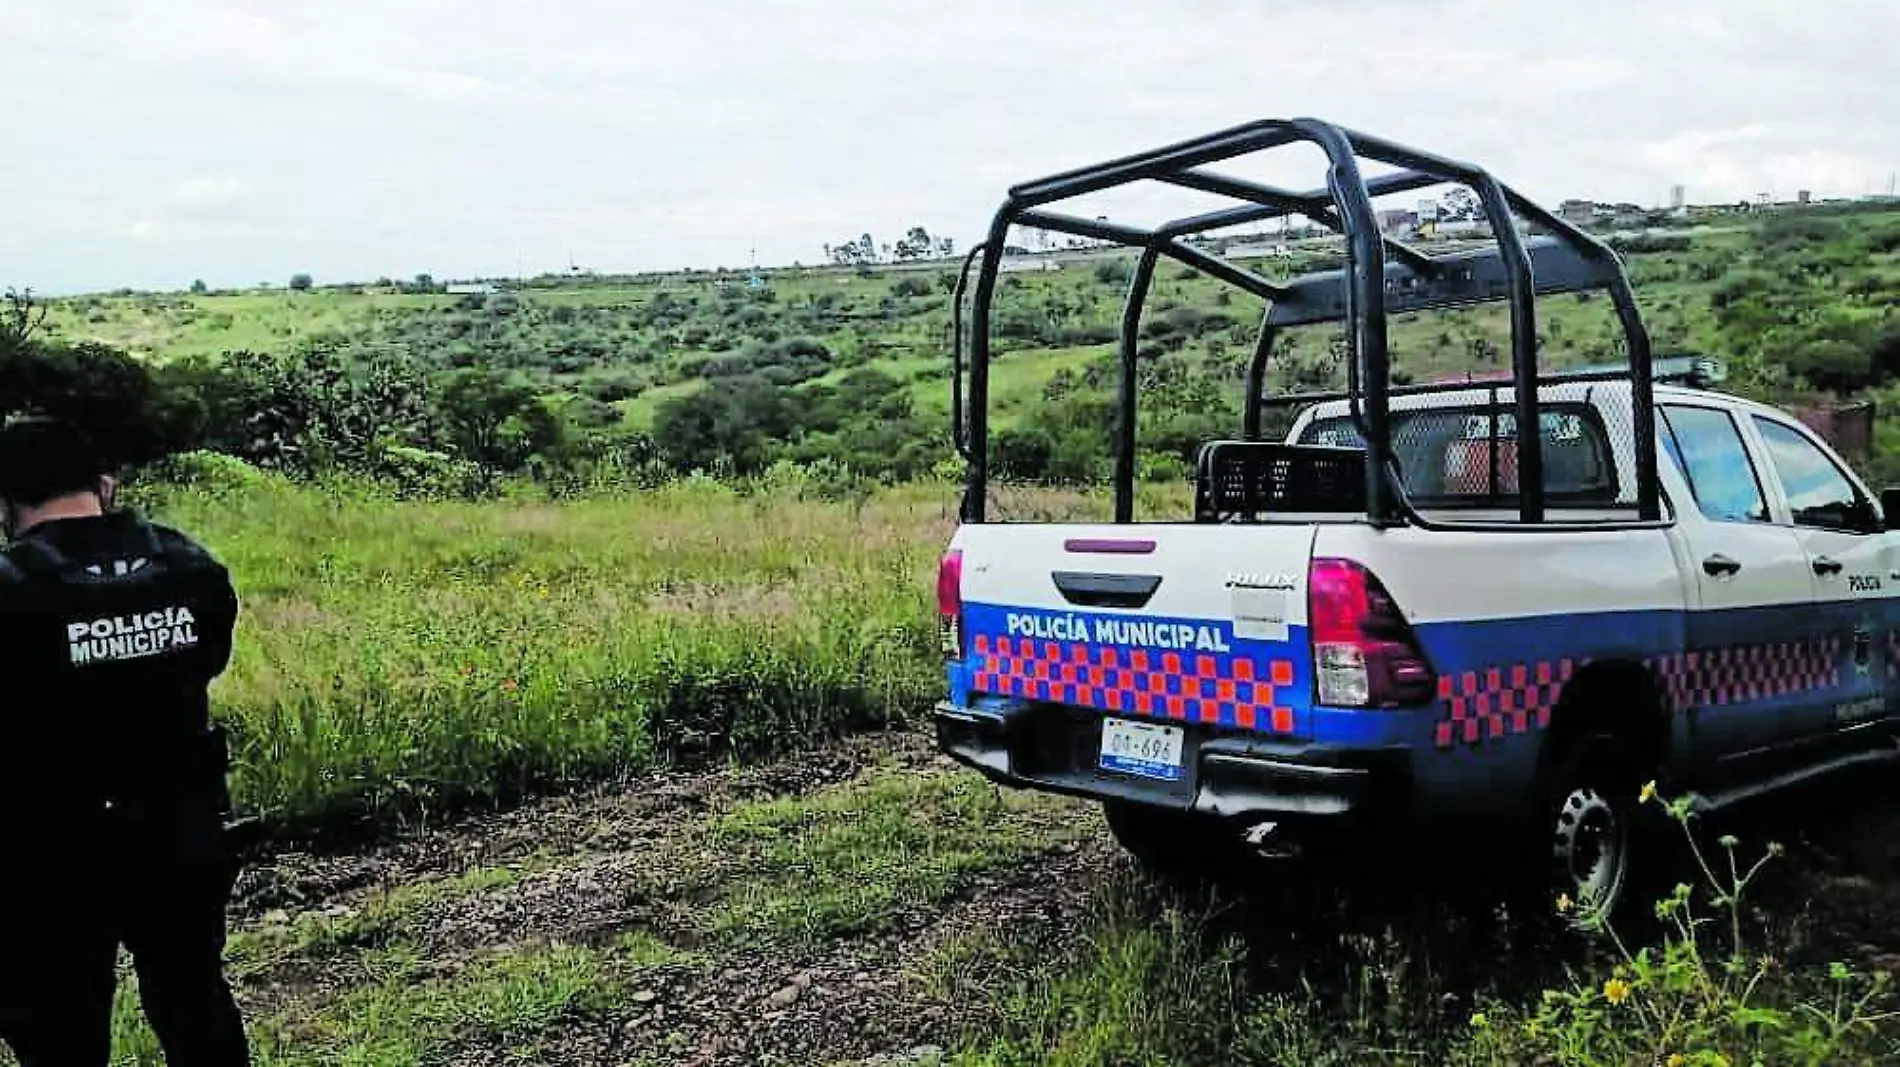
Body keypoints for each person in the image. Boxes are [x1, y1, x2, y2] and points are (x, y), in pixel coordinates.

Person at [0, 416, 250, 1065]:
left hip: (51, 847)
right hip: (181, 825)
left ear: (6, 503)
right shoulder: (189, 563)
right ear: (105, 485)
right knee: (194, 998)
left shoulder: (13, 587)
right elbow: (207, 661)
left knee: (59, 1027)